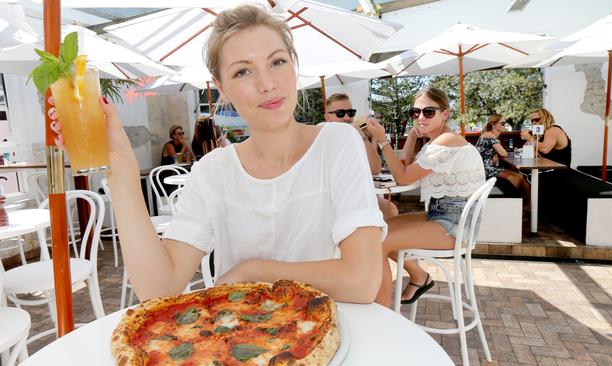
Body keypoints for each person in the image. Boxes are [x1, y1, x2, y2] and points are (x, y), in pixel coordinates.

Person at [50, 4, 385, 303]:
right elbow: (159, 289)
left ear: (294, 66)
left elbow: (362, 282)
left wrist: (254, 271)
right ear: (221, 86)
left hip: (321, 337)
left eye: (277, 61)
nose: (267, 83)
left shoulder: (337, 143)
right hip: (238, 342)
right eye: (243, 71)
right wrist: (121, 167)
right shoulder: (213, 170)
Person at [366, 87, 486, 308]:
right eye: (416, 112)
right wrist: (412, 135)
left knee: (377, 241)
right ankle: (419, 277)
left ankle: (381, 315)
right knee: (382, 227)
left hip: (454, 224)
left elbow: (401, 177)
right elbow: (404, 166)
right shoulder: (437, 141)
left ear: (445, 114)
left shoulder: (446, 142)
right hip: (443, 213)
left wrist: (383, 141)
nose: (421, 117)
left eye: (428, 112)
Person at [323, 93, 398, 220]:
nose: (347, 118)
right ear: (327, 117)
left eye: (350, 113)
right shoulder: (323, 136)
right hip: (333, 199)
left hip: (358, 194)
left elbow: (375, 169)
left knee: (390, 210)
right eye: (340, 113)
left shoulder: (355, 136)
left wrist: (362, 136)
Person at [476, 114, 530, 201]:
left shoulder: (491, 135)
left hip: (487, 168)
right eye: (502, 123)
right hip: (485, 169)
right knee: (516, 178)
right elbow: (504, 153)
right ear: (493, 125)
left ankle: (526, 205)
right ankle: (515, 203)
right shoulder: (490, 136)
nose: (505, 125)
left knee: (520, 177)